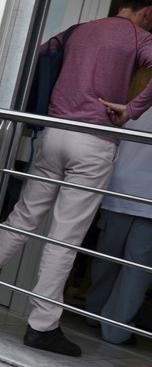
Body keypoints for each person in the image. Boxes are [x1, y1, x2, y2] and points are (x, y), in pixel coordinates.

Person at [0, 0, 152, 357]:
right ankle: (42, 326)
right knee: (63, 237)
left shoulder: (80, 29)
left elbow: (42, 55)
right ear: (147, 12)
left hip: (53, 134)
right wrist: (131, 110)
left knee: (22, 217)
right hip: (93, 143)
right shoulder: (139, 37)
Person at [85, 106, 152, 345]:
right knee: (137, 268)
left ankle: (93, 312)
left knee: (107, 256)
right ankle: (115, 329)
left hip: (119, 189)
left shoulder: (136, 106)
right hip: (148, 199)